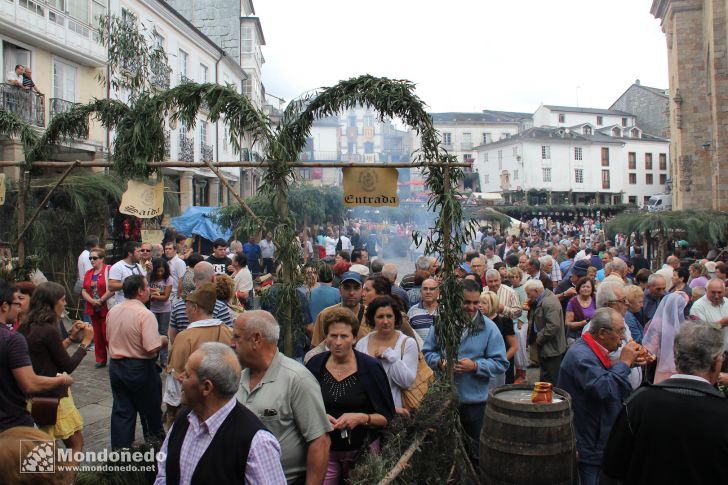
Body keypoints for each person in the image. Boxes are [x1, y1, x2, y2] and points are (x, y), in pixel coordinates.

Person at [602, 322, 728, 485]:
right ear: (716, 363)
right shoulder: (723, 411)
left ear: (675, 358)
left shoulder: (639, 404)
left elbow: (612, 469)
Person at [154, 342, 286, 484]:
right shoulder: (183, 420)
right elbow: (164, 474)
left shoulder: (257, 443)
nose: (180, 378)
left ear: (206, 387)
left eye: (187, 375)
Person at [232, 311, 332, 484]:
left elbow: (320, 442)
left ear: (256, 339)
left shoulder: (297, 379)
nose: (232, 344)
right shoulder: (238, 379)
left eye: (237, 337)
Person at [423, 279, 508, 464]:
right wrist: (440, 362)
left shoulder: (489, 328)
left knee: (475, 455)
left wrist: (476, 366)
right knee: (446, 455)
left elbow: (501, 363)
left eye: (475, 302)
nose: (471, 307)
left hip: (475, 404)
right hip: (445, 400)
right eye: (466, 302)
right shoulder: (442, 323)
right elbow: (428, 352)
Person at [306, 307, 395, 484]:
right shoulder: (315, 365)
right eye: (333, 336)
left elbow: (387, 416)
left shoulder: (370, 368)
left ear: (354, 338)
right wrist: (320, 417)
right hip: (325, 449)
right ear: (326, 338)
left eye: (344, 336)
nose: (338, 342)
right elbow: (303, 408)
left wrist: (363, 418)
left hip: (362, 451)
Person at [557, 307, 640, 485]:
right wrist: (624, 363)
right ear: (602, 333)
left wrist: (628, 365)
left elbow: (602, 376)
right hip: (589, 442)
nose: (623, 338)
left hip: (596, 437)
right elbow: (605, 388)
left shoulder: (591, 350)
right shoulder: (581, 356)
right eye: (619, 332)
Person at [17, 282, 93, 457]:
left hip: (34, 395)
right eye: (62, 300)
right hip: (52, 394)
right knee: (75, 444)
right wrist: (85, 342)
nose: (65, 304)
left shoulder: (27, 326)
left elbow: (47, 355)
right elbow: (66, 366)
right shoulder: (47, 329)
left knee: (46, 448)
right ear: (52, 303)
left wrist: (71, 337)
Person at [0, 281, 74, 432]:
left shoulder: (23, 328)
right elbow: (30, 383)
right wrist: (63, 380)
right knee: (43, 451)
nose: (19, 307)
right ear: (5, 306)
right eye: (16, 302)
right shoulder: (12, 338)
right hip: (13, 420)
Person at [106, 274, 167, 449]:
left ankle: (120, 458)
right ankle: (155, 453)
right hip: (140, 368)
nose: (149, 290)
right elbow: (151, 347)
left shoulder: (114, 310)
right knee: (150, 414)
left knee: (122, 413)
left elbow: (109, 338)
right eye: (147, 287)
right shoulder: (144, 314)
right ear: (140, 291)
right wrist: (162, 341)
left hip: (117, 366)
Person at [164, 284, 233, 427]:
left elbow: (174, 386)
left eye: (186, 306)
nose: (185, 310)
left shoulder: (184, 337)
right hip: (226, 406)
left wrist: (171, 413)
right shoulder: (229, 333)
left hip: (194, 410)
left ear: (194, 308)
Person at [356, 296, 418, 413]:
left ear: (395, 318)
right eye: (380, 317)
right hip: (366, 411)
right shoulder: (362, 343)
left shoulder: (407, 343)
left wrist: (390, 355)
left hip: (397, 412)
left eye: (389, 316)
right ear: (372, 319)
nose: (385, 321)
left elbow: (406, 381)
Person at [169, 261, 232, 344]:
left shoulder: (178, 306)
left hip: (186, 353)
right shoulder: (220, 307)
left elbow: (173, 339)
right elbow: (228, 338)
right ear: (213, 279)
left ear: (194, 279)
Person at [642, 291, 688, 383]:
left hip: (662, 367)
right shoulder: (686, 325)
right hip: (681, 366)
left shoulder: (657, 323)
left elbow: (650, 348)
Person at [525, 279, 566, 383]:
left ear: (536, 291)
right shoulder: (544, 299)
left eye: (529, 293)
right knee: (546, 376)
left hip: (552, 348)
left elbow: (553, 326)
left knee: (550, 378)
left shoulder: (549, 302)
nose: (528, 296)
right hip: (548, 347)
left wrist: (539, 338)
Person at [311, 272, 365, 347]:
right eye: (347, 287)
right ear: (339, 290)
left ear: (362, 291)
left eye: (356, 288)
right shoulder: (325, 315)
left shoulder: (371, 316)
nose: (351, 293)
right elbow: (315, 347)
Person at [81, 247, 113, 367]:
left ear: (102, 259)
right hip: (93, 308)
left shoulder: (108, 270)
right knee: (97, 335)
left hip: (105, 306)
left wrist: (100, 300)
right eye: (90, 258)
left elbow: (112, 288)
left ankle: (115, 357)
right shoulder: (89, 273)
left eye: (94, 258)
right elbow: (84, 289)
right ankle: (100, 359)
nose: (92, 260)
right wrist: (91, 301)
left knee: (107, 334)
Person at [479, 289, 517, 385]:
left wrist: (501, 361)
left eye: (484, 303)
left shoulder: (504, 321)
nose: (480, 305)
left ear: (493, 304)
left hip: (501, 368)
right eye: (479, 302)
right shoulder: (477, 322)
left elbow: (514, 347)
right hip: (483, 368)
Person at [689, 278, 728, 346]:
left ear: (724, 291)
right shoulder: (698, 307)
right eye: (713, 292)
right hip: (711, 352)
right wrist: (720, 324)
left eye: (719, 292)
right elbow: (699, 333)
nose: (716, 296)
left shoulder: (726, 301)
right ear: (706, 291)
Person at [149, 258, 173, 366]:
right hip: (152, 308)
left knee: (163, 332)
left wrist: (152, 295)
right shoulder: (150, 278)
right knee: (153, 332)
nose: (159, 273)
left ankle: (164, 358)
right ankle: (154, 355)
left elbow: (165, 297)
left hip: (164, 309)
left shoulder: (168, 279)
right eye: (157, 271)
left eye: (162, 271)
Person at [508, 267, 529, 383]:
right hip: (512, 321)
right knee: (515, 348)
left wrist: (521, 320)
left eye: (516, 277)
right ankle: (518, 372)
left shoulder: (523, 289)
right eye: (512, 277)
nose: (514, 279)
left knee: (521, 347)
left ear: (520, 278)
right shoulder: (510, 289)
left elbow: (526, 306)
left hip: (520, 322)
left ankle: (523, 373)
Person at [107, 241, 145, 306]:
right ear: (130, 253)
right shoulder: (118, 266)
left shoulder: (139, 266)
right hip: (123, 304)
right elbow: (111, 286)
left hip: (138, 304)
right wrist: (130, 284)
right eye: (138, 251)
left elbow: (144, 283)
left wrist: (149, 273)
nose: (141, 253)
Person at [564, 277, 596, 343]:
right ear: (579, 288)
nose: (585, 289)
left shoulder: (595, 299)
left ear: (592, 288)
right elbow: (567, 323)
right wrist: (581, 323)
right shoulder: (573, 302)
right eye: (583, 286)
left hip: (592, 336)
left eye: (588, 287)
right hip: (575, 338)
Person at [76, 235, 98, 320]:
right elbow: (90, 273)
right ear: (95, 245)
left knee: (87, 310)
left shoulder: (83, 254)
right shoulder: (88, 256)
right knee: (89, 311)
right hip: (89, 287)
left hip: (85, 285)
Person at [163, 241, 187, 305]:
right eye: (166, 249)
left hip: (175, 297)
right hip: (168, 295)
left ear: (175, 250)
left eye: (170, 249)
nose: (167, 251)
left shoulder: (179, 262)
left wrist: (178, 297)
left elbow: (181, 280)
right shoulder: (168, 263)